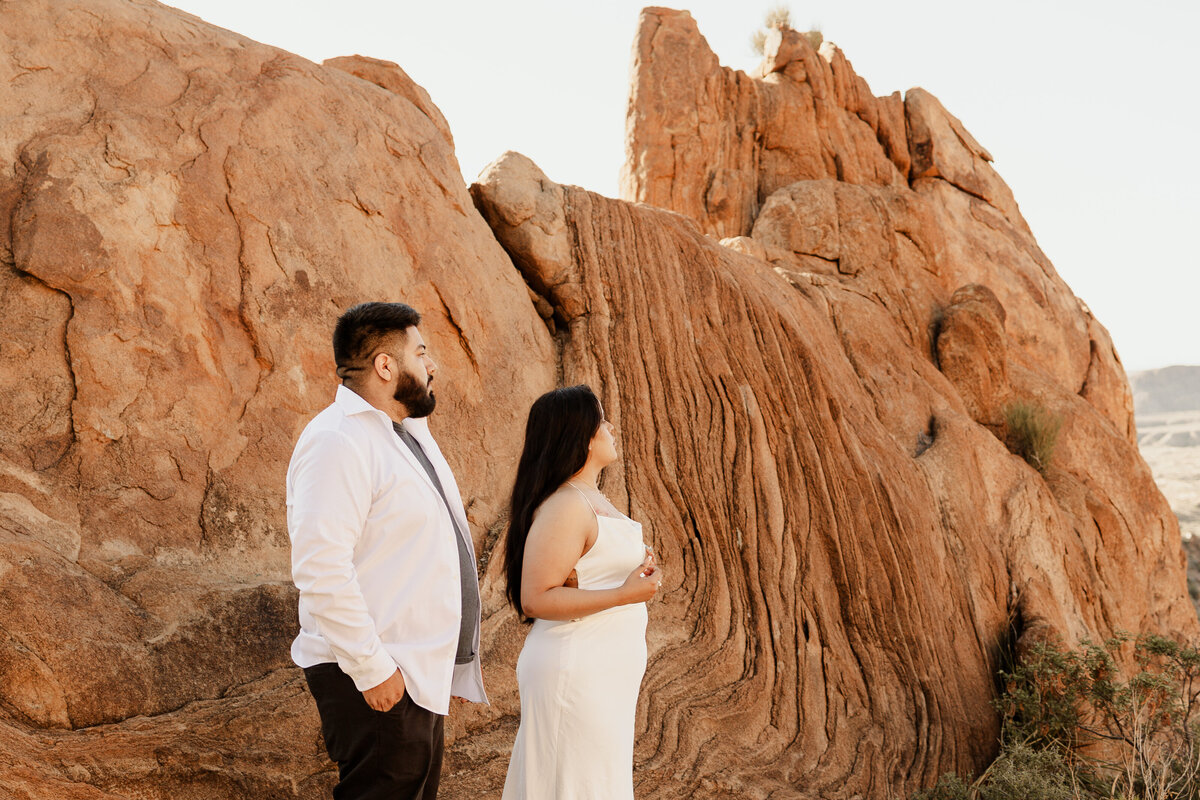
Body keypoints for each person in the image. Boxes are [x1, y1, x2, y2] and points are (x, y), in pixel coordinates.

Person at [287, 301, 486, 800]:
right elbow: (320, 568)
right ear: (384, 366)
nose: (432, 364)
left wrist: (444, 666)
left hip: (414, 675)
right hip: (375, 675)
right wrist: (374, 670)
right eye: (421, 352)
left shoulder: (403, 435)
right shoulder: (339, 439)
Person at [500, 384, 662, 800]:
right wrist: (625, 594)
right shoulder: (567, 504)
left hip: (602, 674)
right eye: (600, 419)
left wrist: (634, 568)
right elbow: (536, 597)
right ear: (580, 435)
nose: (610, 427)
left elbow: (590, 568)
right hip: (574, 671)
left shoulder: (590, 498)